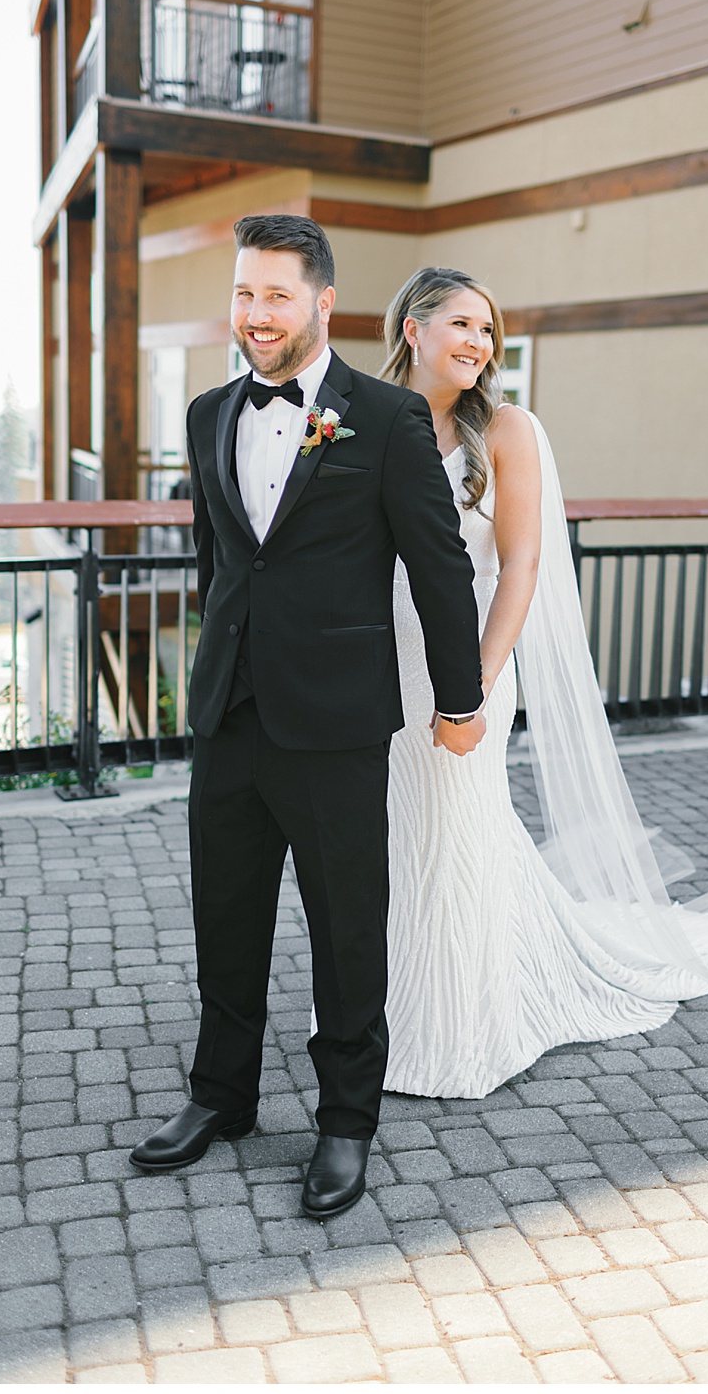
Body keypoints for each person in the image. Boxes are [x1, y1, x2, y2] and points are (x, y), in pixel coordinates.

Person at [377, 265, 708, 1097]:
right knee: (392, 838)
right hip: (377, 668)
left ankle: (458, 1021)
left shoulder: (508, 431)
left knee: (459, 835)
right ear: (412, 330)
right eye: (461, 324)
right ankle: (381, 1005)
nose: (477, 343)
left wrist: (478, 687)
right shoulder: (367, 422)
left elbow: (524, 562)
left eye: (487, 331)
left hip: (464, 666)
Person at [129, 214, 487, 1221]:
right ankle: (219, 1097)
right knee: (224, 919)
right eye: (243, 294)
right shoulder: (205, 414)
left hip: (334, 722)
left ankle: (343, 1119)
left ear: (321, 303)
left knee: (344, 928)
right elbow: (217, 562)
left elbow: (437, 569)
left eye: (275, 295)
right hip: (230, 716)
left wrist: (459, 701)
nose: (255, 314)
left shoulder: (384, 418)